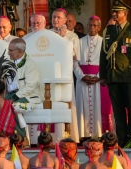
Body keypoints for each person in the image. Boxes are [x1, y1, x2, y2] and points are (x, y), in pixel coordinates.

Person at [99, 0, 131, 147]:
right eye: (113, 12)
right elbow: (103, 54)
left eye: (117, 12)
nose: (114, 14)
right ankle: (122, 139)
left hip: (129, 76)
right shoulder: (108, 31)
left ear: (125, 14)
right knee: (118, 111)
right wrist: (103, 76)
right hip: (113, 76)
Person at [75, 16, 114, 137]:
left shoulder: (104, 42)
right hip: (82, 79)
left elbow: (108, 62)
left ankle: (98, 133)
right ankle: (82, 134)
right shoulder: (79, 41)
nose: (91, 28)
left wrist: (99, 76)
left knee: (98, 106)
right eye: (89, 25)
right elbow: (74, 61)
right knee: (82, 106)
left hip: (98, 80)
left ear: (99, 27)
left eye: (94, 25)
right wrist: (81, 76)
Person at [51, 8, 80, 143]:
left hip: (65, 75)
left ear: (64, 20)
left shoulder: (72, 36)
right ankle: (50, 137)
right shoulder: (47, 34)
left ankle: (67, 135)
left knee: (66, 103)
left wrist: (63, 38)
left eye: (58, 18)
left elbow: (75, 56)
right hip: (50, 75)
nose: (55, 20)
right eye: (54, 17)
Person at [5, 38, 43, 137]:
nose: (8, 53)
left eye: (10, 50)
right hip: (10, 94)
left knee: (8, 106)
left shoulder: (30, 65)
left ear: (20, 51)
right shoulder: (10, 62)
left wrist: (14, 97)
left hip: (28, 97)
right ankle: (6, 136)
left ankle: (20, 137)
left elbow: (30, 87)